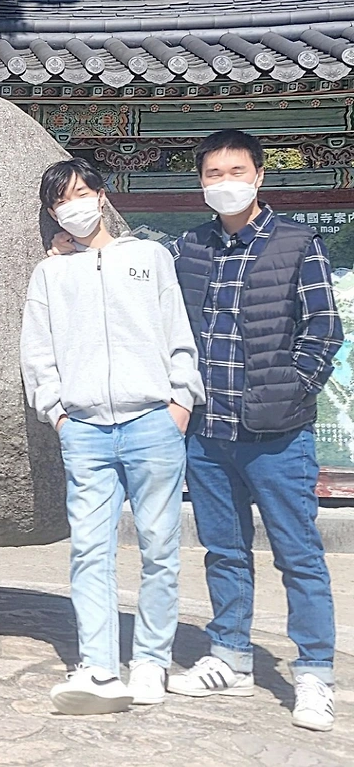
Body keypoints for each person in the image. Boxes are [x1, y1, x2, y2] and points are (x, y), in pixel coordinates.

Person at [160, 130, 344, 732]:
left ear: (259, 176)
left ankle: (313, 672)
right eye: (212, 173)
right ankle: (230, 656)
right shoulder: (189, 248)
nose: (224, 182)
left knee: (299, 555)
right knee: (224, 551)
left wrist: (291, 390)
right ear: (201, 182)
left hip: (277, 436)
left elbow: (324, 330)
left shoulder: (297, 243)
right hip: (208, 433)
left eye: (235, 171)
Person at [21, 158, 204, 715]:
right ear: (52, 212)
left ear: (101, 195)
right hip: (86, 431)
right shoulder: (50, 274)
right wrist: (57, 414)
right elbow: (38, 351)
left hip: (153, 422)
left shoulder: (149, 257)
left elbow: (177, 333)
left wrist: (180, 402)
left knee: (160, 548)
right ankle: (99, 665)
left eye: (81, 193)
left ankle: (150, 660)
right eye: (61, 201)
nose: (73, 206)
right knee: (89, 552)